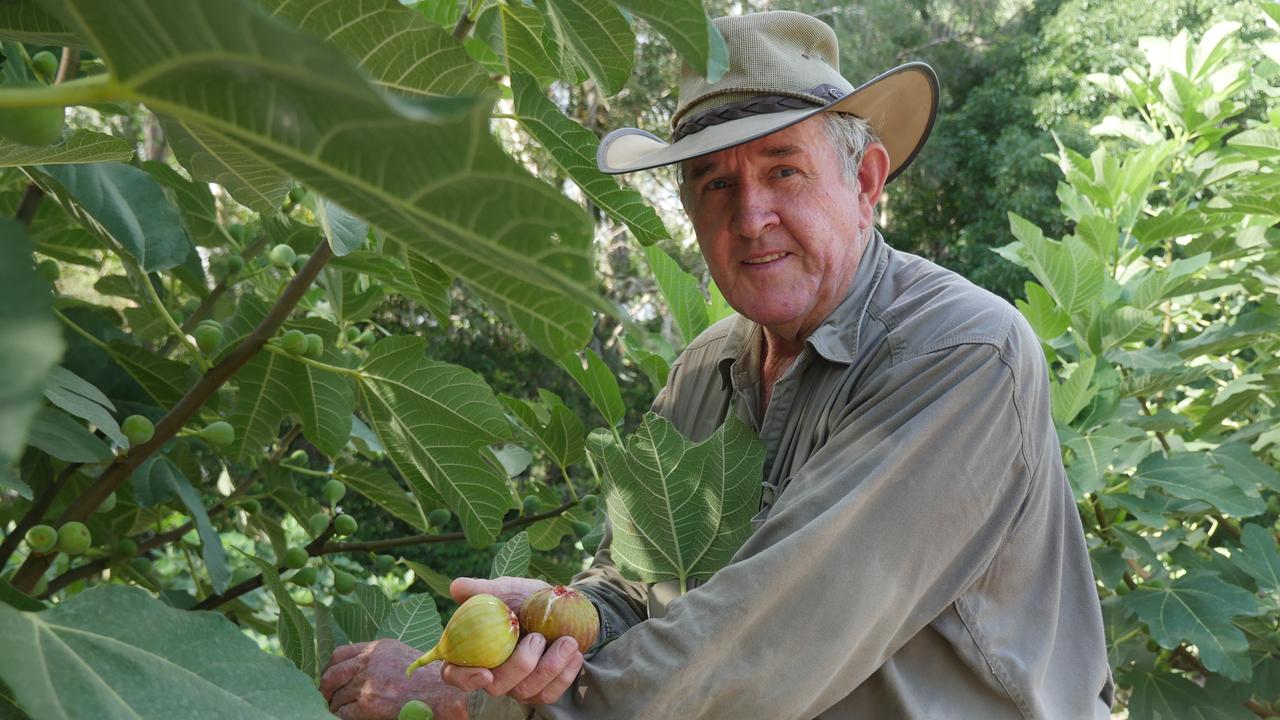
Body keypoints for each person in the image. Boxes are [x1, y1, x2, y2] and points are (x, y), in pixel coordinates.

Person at [320, 10, 1114, 719]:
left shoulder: (961, 353)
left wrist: (466, 703)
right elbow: (640, 586)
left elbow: (760, 650)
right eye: (713, 182)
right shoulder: (704, 371)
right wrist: (556, 621)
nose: (750, 216)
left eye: (783, 170)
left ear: (865, 181)